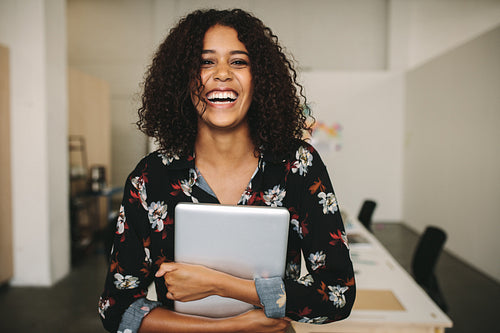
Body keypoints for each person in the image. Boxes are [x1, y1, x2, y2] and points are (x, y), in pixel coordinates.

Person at [98, 8, 355, 333]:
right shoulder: (151, 178)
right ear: (184, 79)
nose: (222, 74)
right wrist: (233, 327)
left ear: (259, 78)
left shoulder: (297, 165)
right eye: (206, 62)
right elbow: (117, 309)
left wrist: (221, 284)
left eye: (238, 61)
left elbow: (338, 295)